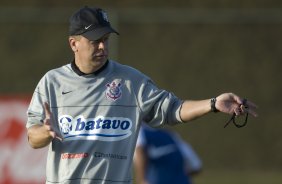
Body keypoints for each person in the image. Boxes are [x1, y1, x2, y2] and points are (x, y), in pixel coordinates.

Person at [26, 6, 258, 184]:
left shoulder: (131, 82)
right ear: (73, 43)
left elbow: (173, 109)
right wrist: (46, 132)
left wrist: (213, 103)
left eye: (105, 40)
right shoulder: (52, 82)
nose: (102, 47)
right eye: (95, 41)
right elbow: (32, 138)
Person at [134, 124, 202, 184]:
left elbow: (140, 151)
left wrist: (141, 180)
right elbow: (196, 166)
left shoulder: (139, 132)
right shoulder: (170, 135)